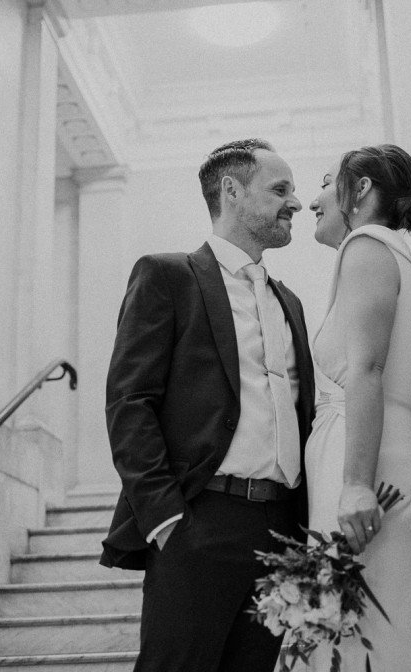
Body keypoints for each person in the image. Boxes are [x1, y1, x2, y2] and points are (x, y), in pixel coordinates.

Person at [101, 139, 315, 672]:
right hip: (200, 522)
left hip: (282, 530)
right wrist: (167, 518)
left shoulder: (289, 301)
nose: (296, 202)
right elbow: (130, 402)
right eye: (280, 189)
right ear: (231, 191)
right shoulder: (167, 276)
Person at [303, 144, 411, 670]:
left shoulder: (365, 247)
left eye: (324, 181)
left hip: (367, 469)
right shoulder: (397, 257)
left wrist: (356, 482)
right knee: (381, 641)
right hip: (389, 459)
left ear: (359, 189)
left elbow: (367, 370)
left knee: (364, 645)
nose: (314, 200)